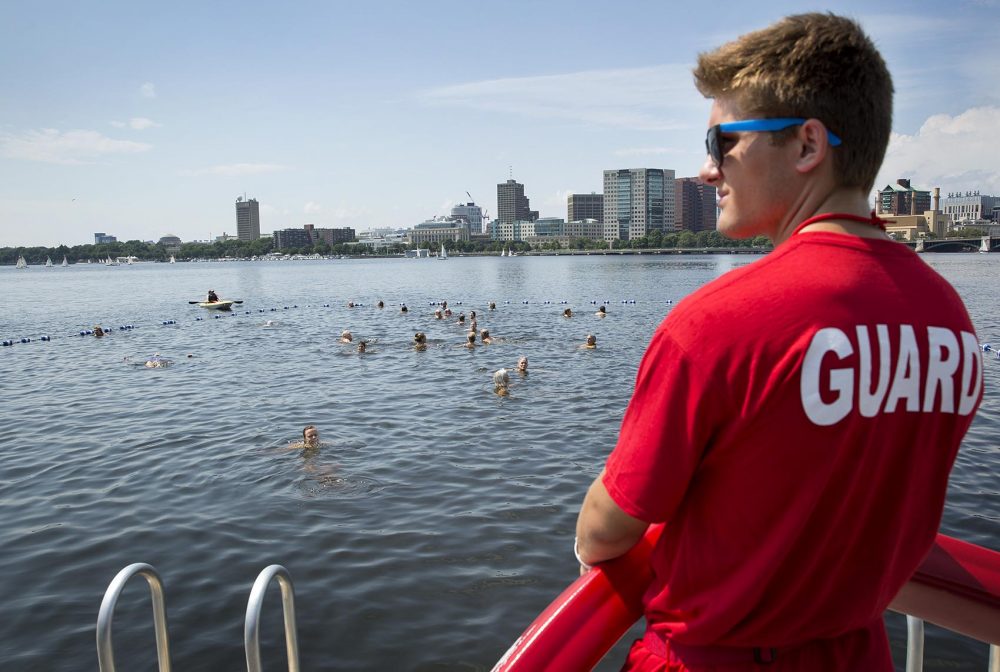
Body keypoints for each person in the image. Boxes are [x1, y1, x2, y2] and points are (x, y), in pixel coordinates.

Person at [574, 14, 983, 672]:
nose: (707, 170)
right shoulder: (952, 323)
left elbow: (605, 530)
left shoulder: (716, 322)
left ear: (806, 146)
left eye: (722, 140)